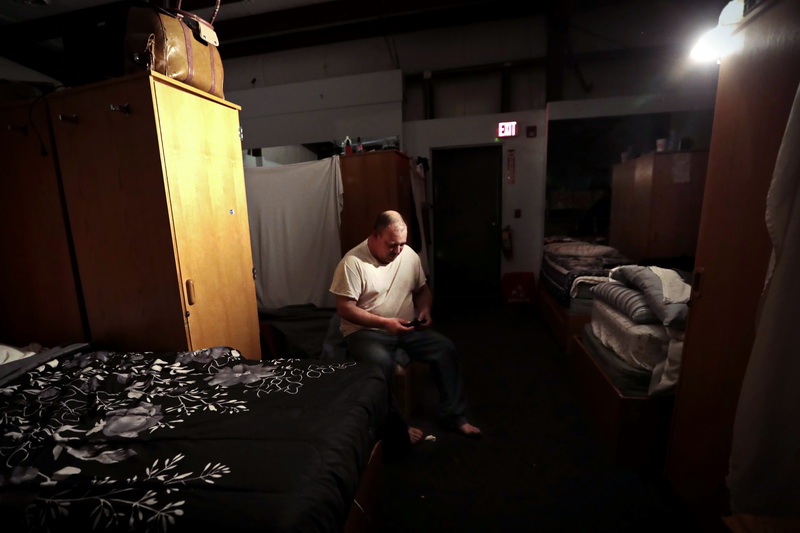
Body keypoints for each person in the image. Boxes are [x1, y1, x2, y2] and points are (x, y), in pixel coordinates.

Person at [329, 210, 481, 444]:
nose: (398, 251)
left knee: (444, 348)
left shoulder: (408, 255)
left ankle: (454, 416)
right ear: (375, 235)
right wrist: (384, 323)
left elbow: (422, 290)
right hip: (366, 333)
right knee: (382, 365)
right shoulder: (352, 263)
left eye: (402, 244)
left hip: (405, 328)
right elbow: (345, 309)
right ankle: (395, 427)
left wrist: (424, 310)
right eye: (392, 245)